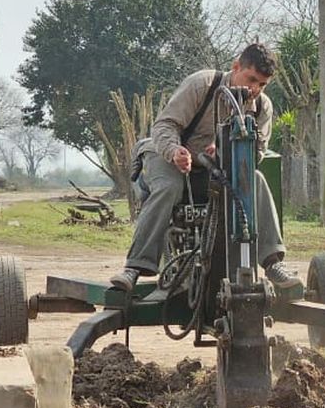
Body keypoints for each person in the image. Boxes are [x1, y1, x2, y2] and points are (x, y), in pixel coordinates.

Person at [110, 43, 302, 298]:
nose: (255, 89)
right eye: (251, 79)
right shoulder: (202, 85)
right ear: (236, 67)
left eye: (263, 84)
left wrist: (224, 152)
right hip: (165, 155)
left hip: (214, 168)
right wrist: (175, 152)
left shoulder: (261, 108)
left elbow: (256, 154)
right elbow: (164, 126)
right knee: (169, 187)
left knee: (254, 179)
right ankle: (134, 267)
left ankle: (272, 262)